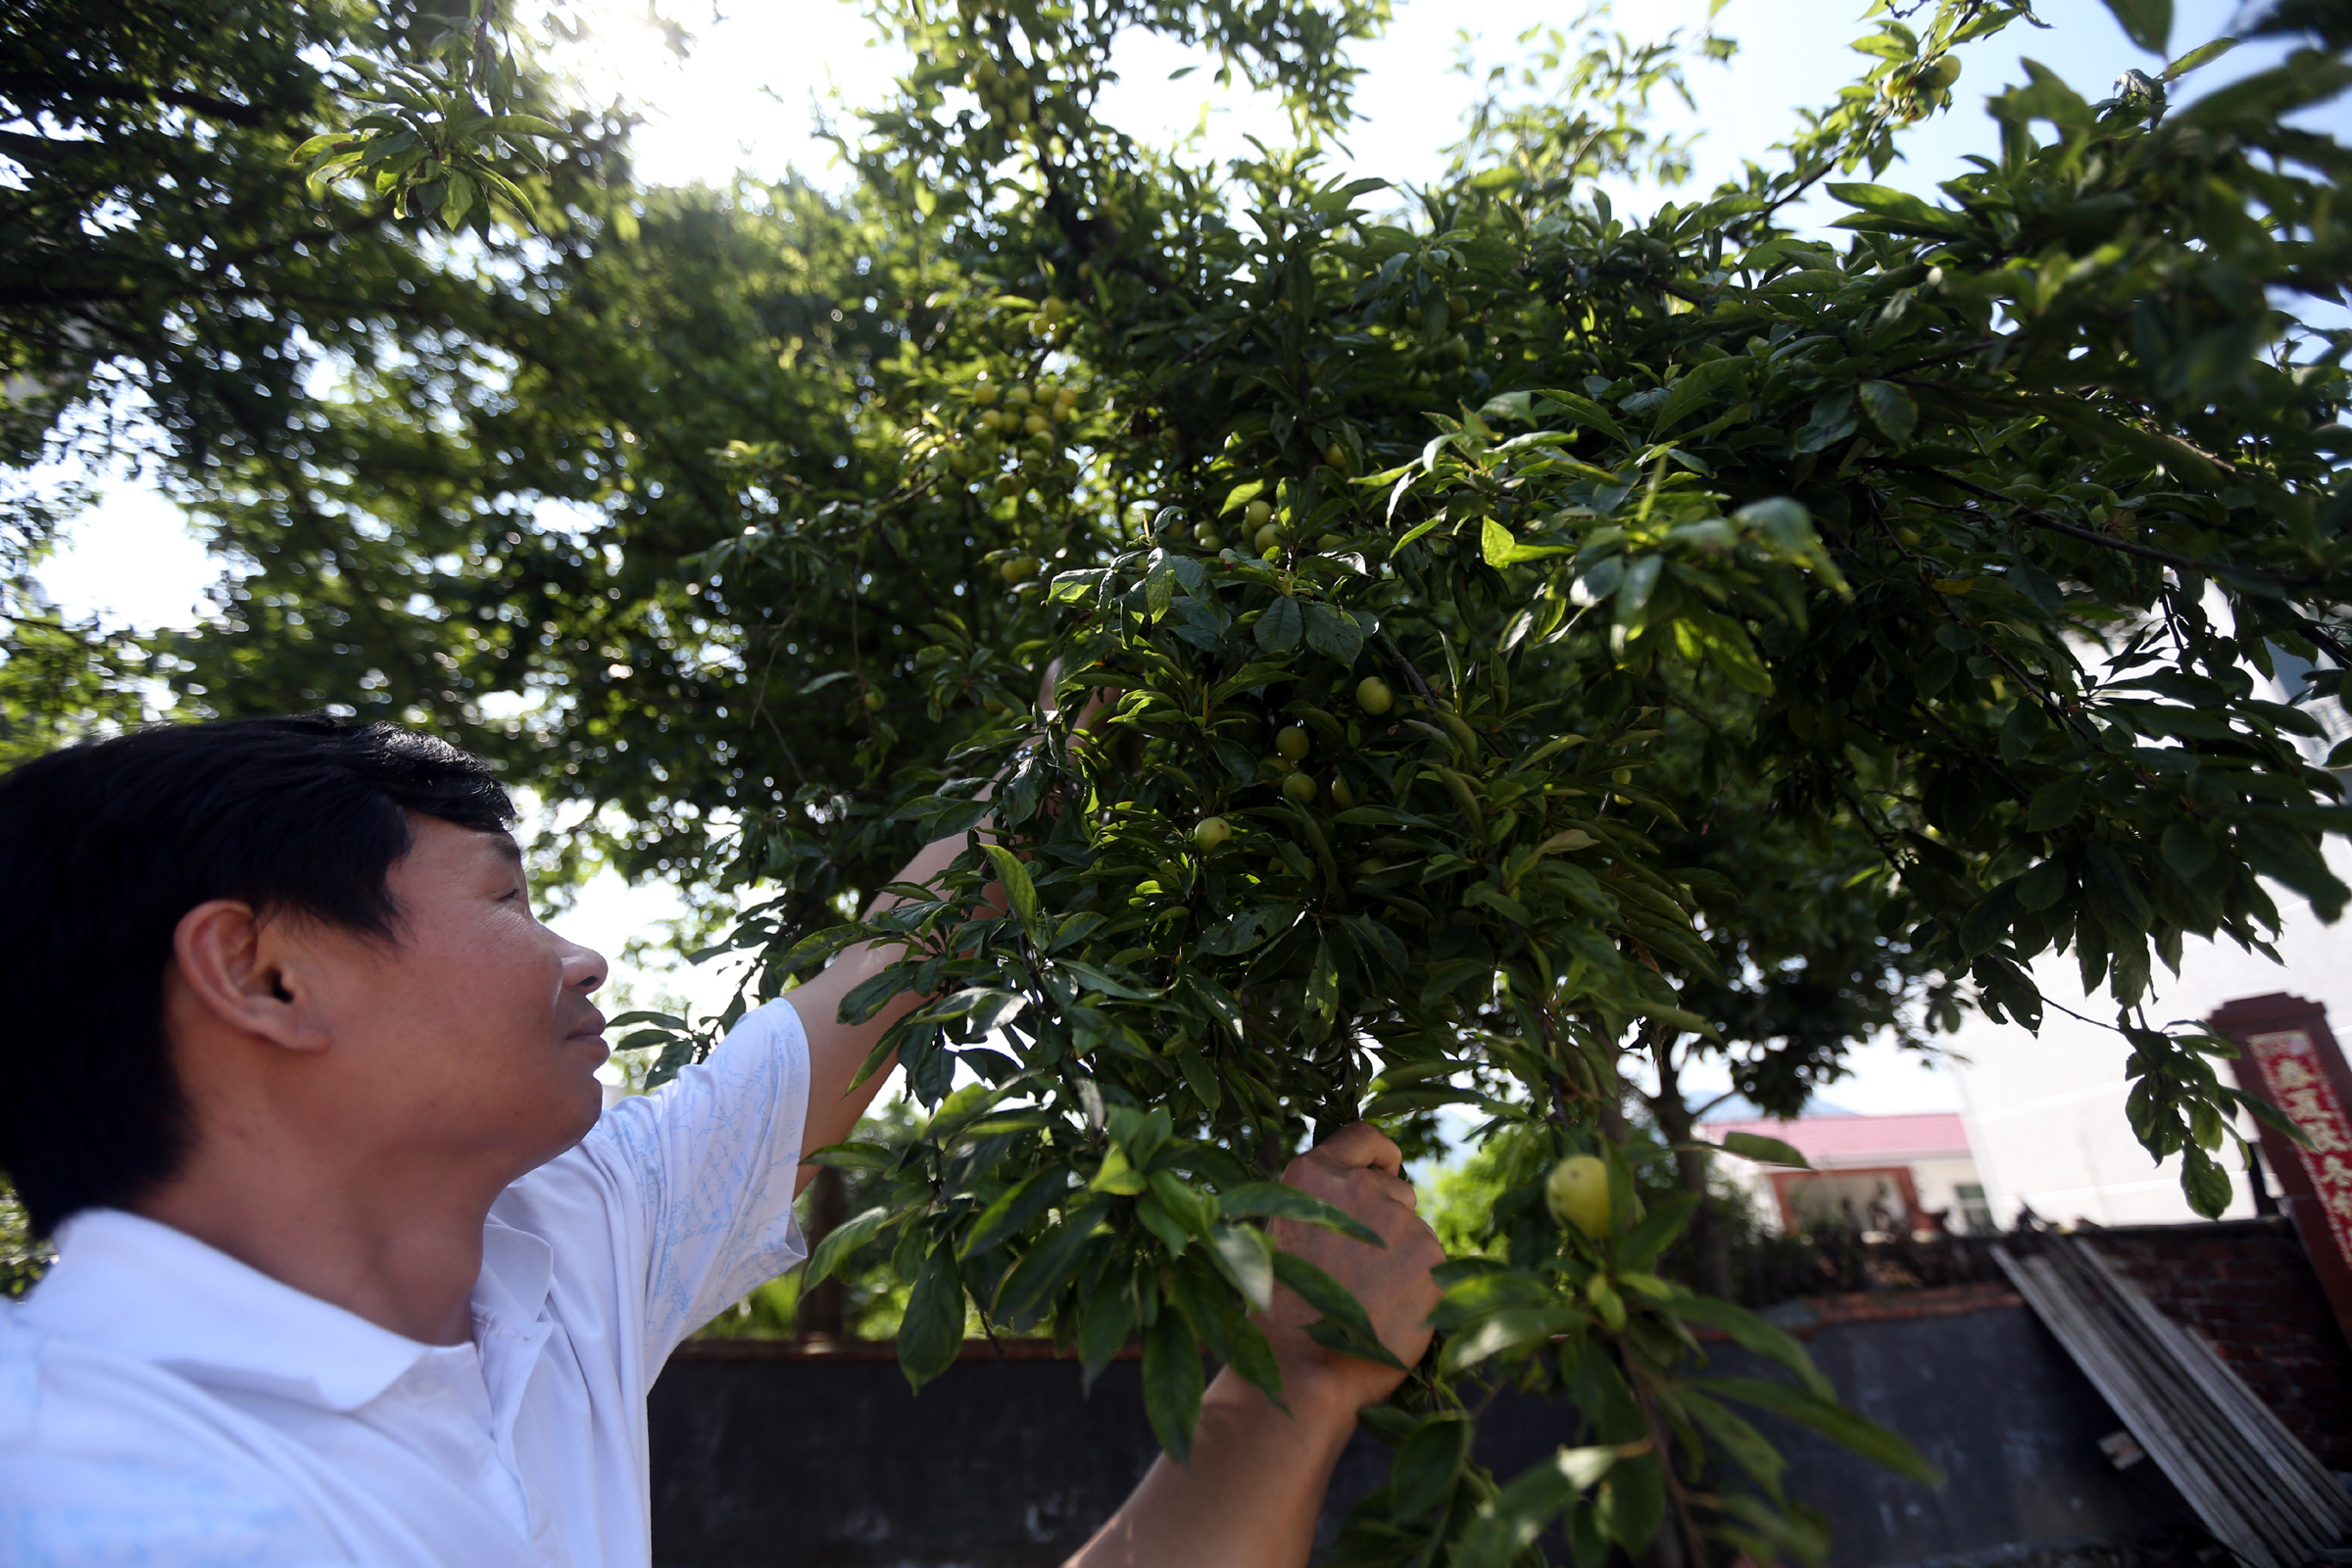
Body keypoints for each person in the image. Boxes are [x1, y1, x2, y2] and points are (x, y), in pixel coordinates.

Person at [0, 714, 1444, 1567]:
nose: (580, 957)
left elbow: (891, 964)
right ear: (266, 975)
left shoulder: (544, 1253)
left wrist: (1285, 1391)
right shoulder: (98, 1495)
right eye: (506, 901)